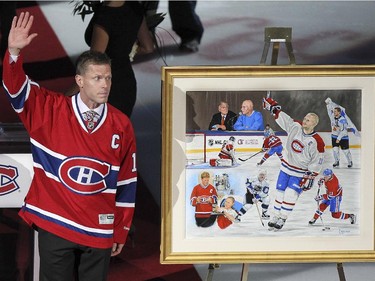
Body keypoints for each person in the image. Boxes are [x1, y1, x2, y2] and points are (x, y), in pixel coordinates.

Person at [3, 12, 137, 280]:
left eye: (108, 78)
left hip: (98, 228)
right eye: (97, 78)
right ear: (79, 81)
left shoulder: (121, 124)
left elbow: (126, 182)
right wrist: (14, 52)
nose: (105, 85)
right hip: (56, 222)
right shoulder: (49, 109)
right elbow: (15, 89)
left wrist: (120, 229)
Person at [67, 1, 155, 118]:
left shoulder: (105, 17)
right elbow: (148, 47)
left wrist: (67, 96)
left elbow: (95, 63)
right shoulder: (134, 7)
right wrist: (124, 51)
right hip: (127, 83)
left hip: (106, 88)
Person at [263, 96, 325, 231]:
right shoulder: (295, 126)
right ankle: (275, 216)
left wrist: (311, 175)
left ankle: (283, 218)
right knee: (279, 193)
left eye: (308, 120)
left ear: (314, 123)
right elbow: (284, 118)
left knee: (291, 194)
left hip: (299, 173)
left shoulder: (317, 141)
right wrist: (274, 109)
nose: (305, 121)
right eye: (305, 118)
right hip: (285, 168)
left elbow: (317, 160)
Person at [326, 99, 354, 168]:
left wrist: (339, 138)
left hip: (343, 137)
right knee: (335, 150)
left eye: (335, 111)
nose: (333, 112)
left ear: (339, 112)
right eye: (333, 111)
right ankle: (337, 161)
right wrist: (328, 103)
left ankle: (350, 161)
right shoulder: (332, 117)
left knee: (346, 151)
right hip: (334, 136)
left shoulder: (343, 120)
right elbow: (329, 111)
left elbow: (344, 131)